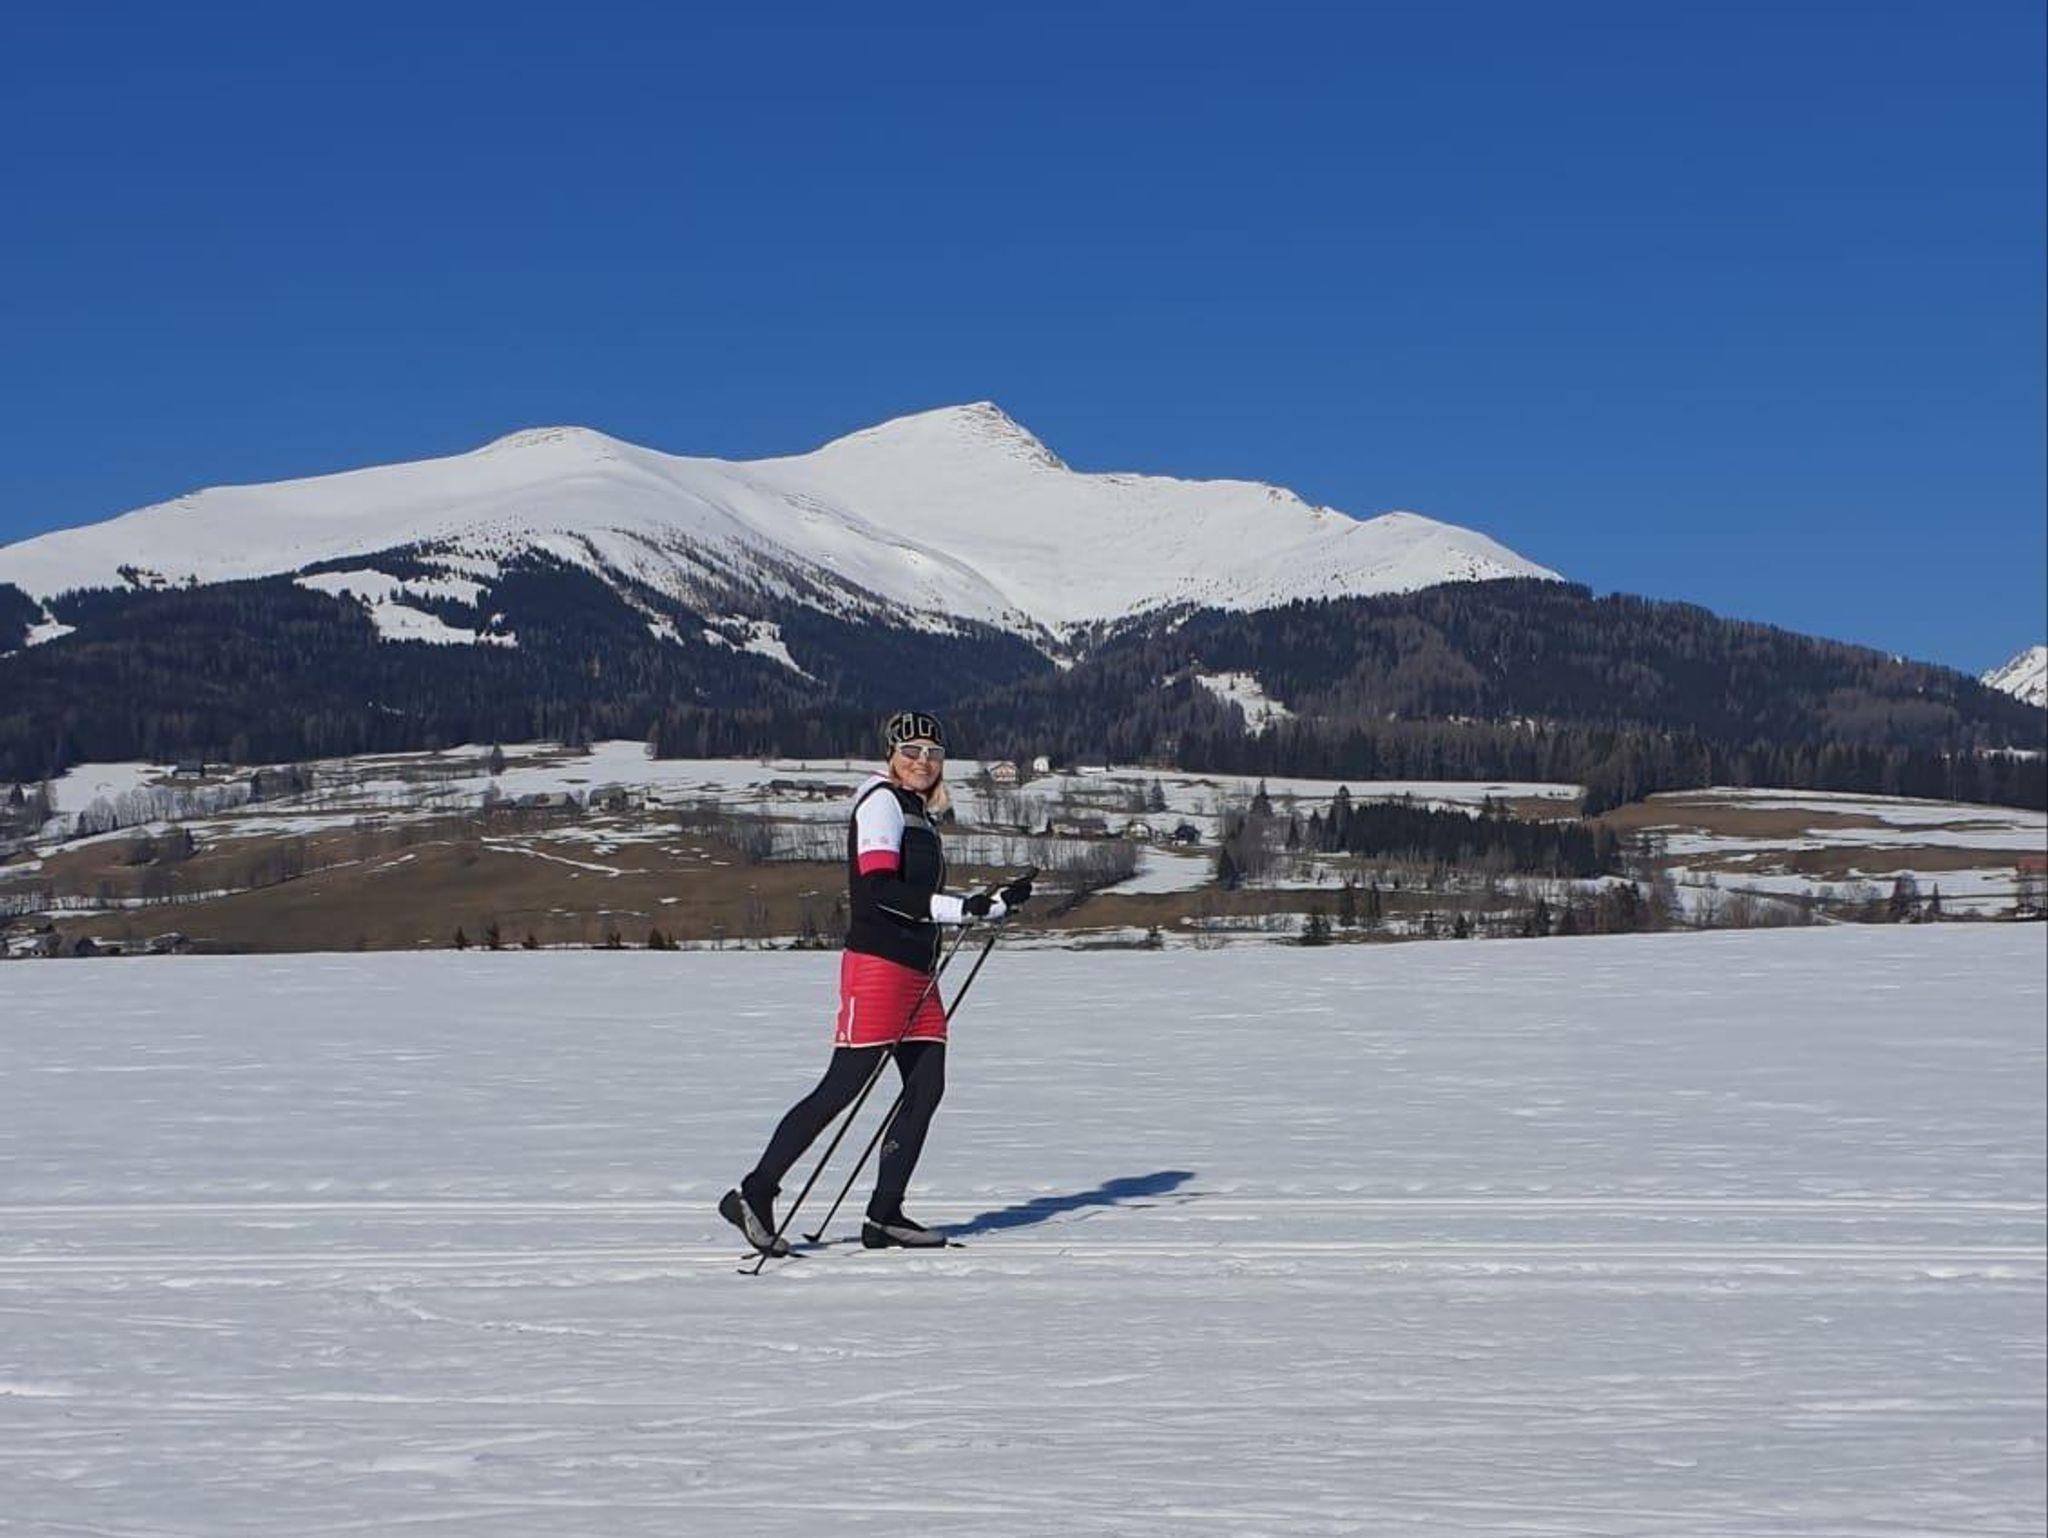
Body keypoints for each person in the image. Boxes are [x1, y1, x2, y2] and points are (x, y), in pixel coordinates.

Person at [720, 710, 1034, 1253]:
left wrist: (993, 902)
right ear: (890, 755)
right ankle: (755, 1192)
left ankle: (884, 1214)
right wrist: (959, 908)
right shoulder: (882, 803)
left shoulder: (918, 814)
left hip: (918, 971)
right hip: (879, 967)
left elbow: (922, 898)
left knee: (925, 1088)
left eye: (933, 753)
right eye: (911, 752)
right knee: (842, 1087)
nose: (922, 761)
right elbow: (880, 889)